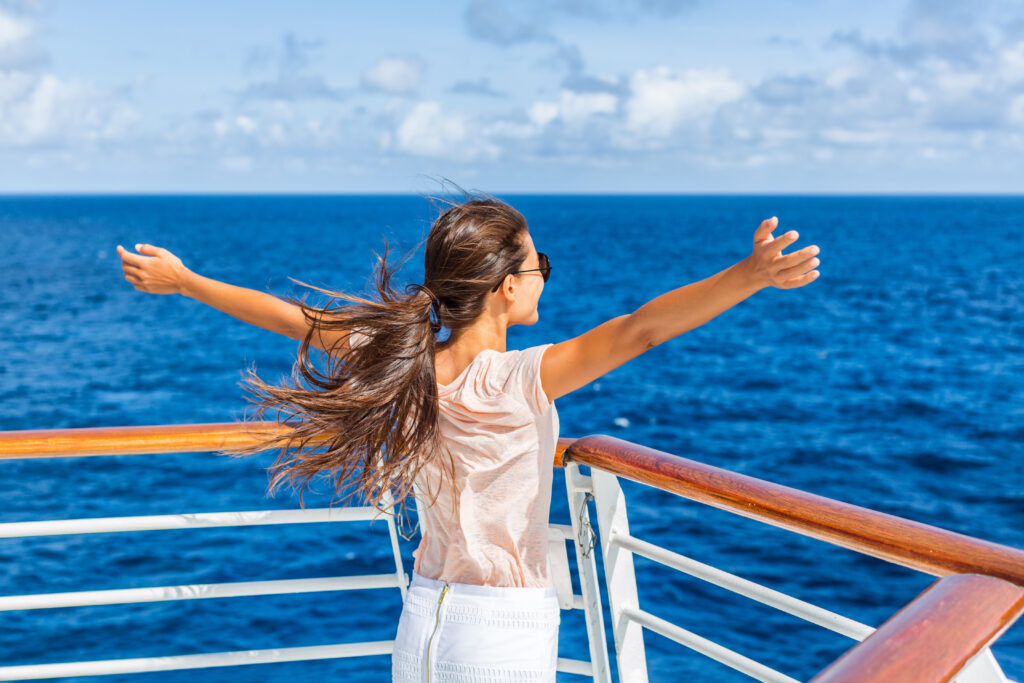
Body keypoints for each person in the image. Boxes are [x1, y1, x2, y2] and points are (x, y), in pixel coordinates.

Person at [115, 188, 821, 681]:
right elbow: (641, 328)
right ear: (505, 287)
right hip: (500, 637)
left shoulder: (407, 360)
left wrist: (185, 280)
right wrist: (750, 274)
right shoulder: (520, 378)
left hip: (422, 621)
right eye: (538, 265)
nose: (545, 276)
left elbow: (296, 318)